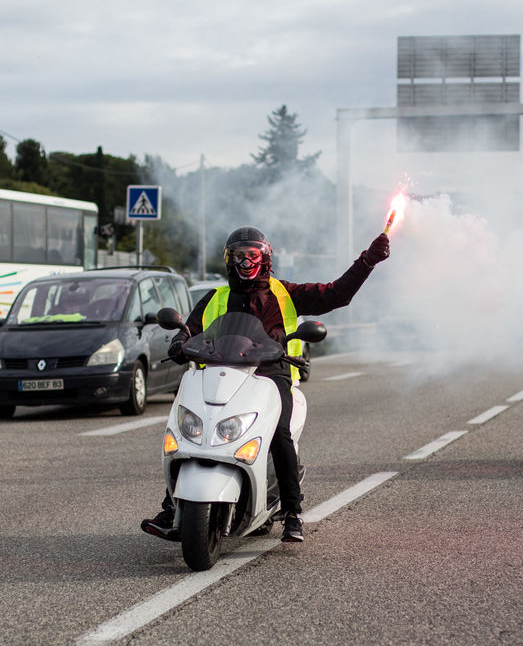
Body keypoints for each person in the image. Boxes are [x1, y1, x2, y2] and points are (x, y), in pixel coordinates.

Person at [141, 226, 392, 544]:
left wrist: (367, 261)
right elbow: (189, 329)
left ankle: (292, 512)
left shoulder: (284, 293)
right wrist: (179, 341)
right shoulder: (216, 297)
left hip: (271, 377)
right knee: (188, 432)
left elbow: (336, 294)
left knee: (279, 434)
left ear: (265, 259)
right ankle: (171, 506)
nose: (246, 262)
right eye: (239, 256)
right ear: (229, 260)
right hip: (219, 376)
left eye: (252, 255)